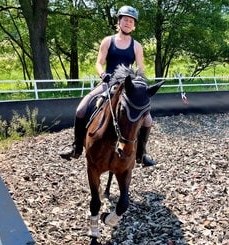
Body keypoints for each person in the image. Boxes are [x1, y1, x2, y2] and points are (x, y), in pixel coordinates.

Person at [59, 5, 156, 166]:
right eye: (125, 19)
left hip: (127, 86)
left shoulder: (137, 46)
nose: (128, 23)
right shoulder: (108, 41)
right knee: (81, 109)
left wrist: (139, 83)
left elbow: (140, 68)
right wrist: (103, 74)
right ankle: (76, 147)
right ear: (119, 22)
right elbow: (99, 63)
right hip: (108, 82)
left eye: (131, 21)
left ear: (134, 25)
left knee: (148, 121)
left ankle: (141, 154)